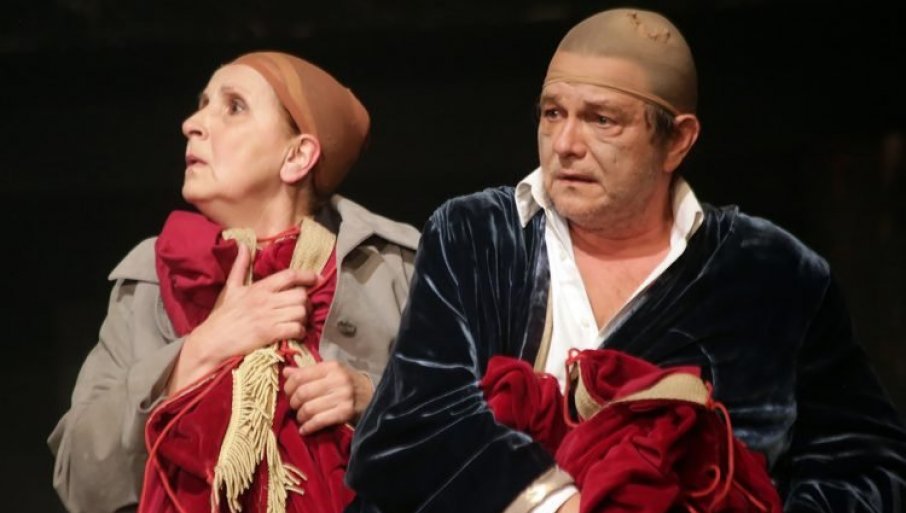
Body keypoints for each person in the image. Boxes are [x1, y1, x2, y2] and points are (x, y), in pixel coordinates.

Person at [346, 8, 906, 513]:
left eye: (601, 120)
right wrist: (558, 504)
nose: (565, 143)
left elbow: (865, 461)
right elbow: (412, 422)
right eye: (552, 113)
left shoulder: (771, 273)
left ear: (678, 140)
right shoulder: (476, 235)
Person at [48, 51, 419, 513]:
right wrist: (198, 352)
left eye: (234, 107)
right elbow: (78, 477)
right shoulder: (154, 281)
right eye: (202, 104)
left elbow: (478, 443)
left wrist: (374, 399)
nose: (192, 124)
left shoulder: (393, 270)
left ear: (297, 156)